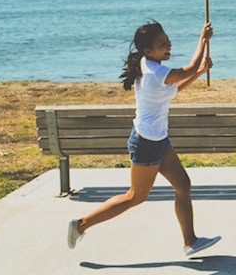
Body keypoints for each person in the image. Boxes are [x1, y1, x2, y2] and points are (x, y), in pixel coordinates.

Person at [67, 20, 221, 257]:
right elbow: (186, 70)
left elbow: (175, 87)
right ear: (149, 51)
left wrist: (200, 72)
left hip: (158, 140)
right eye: (162, 44)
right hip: (146, 144)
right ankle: (80, 225)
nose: (168, 45)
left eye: (167, 40)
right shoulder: (154, 71)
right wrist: (203, 40)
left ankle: (190, 241)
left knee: (183, 185)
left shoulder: (149, 64)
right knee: (135, 196)